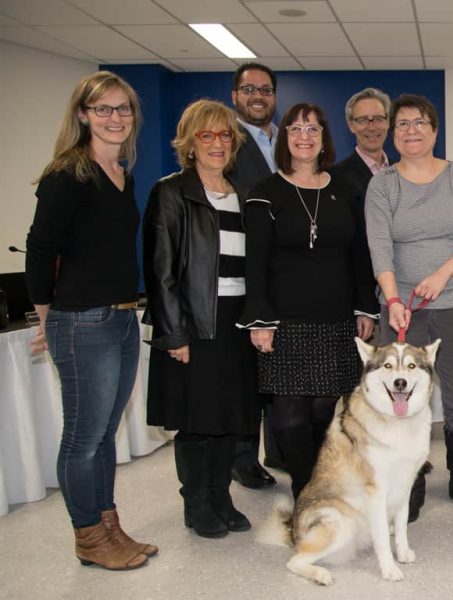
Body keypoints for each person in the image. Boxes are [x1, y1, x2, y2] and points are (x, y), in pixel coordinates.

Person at [25, 71, 153, 570]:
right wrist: (45, 320)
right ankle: (88, 536)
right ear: (83, 115)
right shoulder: (67, 174)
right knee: (83, 437)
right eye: (103, 109)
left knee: (103, 434)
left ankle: (108, 525)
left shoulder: (121, 173)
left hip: (121, 317)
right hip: (80, 321)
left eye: (123, 109)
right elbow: (40, 250)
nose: (115, 118)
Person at [237, 103, 377, 499]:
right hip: (285, 322)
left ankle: (320, 478)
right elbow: (256, 262)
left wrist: (364, 307)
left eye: (312, 129)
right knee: (290, 413)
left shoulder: (345, 190)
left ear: (323, 138)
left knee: (323, 409)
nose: (304, 136)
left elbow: (359, 255)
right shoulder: (265, 192)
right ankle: (303, 487)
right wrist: (260, 320)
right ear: (285, 139)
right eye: (296, 129)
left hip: (335, 319)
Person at [366, 94, 453, 518]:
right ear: (392, 133)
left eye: (420, 122)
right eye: (402, 124)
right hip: (402, 311)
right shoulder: (383, 183)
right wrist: (394, 299)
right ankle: (411, 482)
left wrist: (442, 275)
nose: (411, 130)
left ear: (434, 130)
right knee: (403, 395)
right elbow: (379, 247)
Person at [144, 99, 260, 539]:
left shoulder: (242, 195)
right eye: (206, 135)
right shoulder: (172, 192)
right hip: (194, 323)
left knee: (230, 416)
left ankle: (221, 496)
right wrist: (174, 333)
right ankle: (197, 503)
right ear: (190, 143)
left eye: (224, 135)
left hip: (236, 322)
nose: (216, 143)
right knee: (196, 420)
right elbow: (160, 271)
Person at [229, 62, 281, 489]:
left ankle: (279, 449)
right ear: (235, 96)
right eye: (249, 89)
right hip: (245, 271)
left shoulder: (287, 140)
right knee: (246, 376)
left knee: (278, 369)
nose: (257, 96)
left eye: (265, 89)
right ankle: (243, 458)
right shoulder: (227, 142)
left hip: (286, 273)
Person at [333, 87, 392, 196]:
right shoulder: (336, 177)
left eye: (378, 119)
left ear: (387, 122)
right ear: (351, 125)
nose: (371, 128)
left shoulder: (402, 171)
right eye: (363, 120)